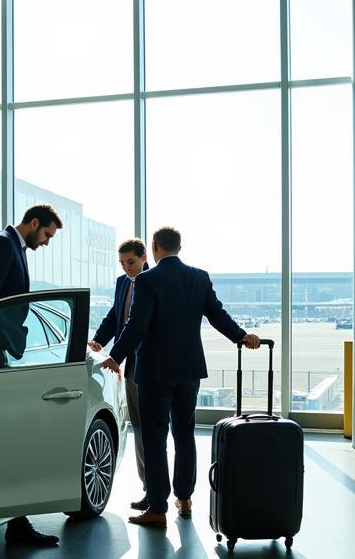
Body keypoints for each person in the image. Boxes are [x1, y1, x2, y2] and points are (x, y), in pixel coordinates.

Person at [102, 226, 260, 529]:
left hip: (155, 371)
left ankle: (158, 508)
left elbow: (137, 326)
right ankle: (185, 498)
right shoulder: (199, 277)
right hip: (189, 369)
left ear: (155, 247)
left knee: (154, 438)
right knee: (185, 435)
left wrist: (116, 356)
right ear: (179, 247)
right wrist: (241, 336)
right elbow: (218, 315)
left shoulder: (147, 280)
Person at [0, 203, 63, 547]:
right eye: (47, 235)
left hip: (3, 354)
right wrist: (2, 350)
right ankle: (15, 522)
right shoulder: (0, 244)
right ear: (34, 223)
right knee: (6, 441)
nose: (46, 242)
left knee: (9, 440)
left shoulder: (12, 246)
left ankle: (16, 521)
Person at [88, 238, 149, 511]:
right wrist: (98, 340)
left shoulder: (153, 281)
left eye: (131, 262)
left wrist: (117, 355)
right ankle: (150, 488)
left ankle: (157, 491)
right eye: (122, 263)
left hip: (149, 364)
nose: (126, 268)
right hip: (130, 365)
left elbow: (139, 325)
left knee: (151, 430)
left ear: (144, 257)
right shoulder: (123, 282)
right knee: (139, 428)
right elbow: (115, 317)